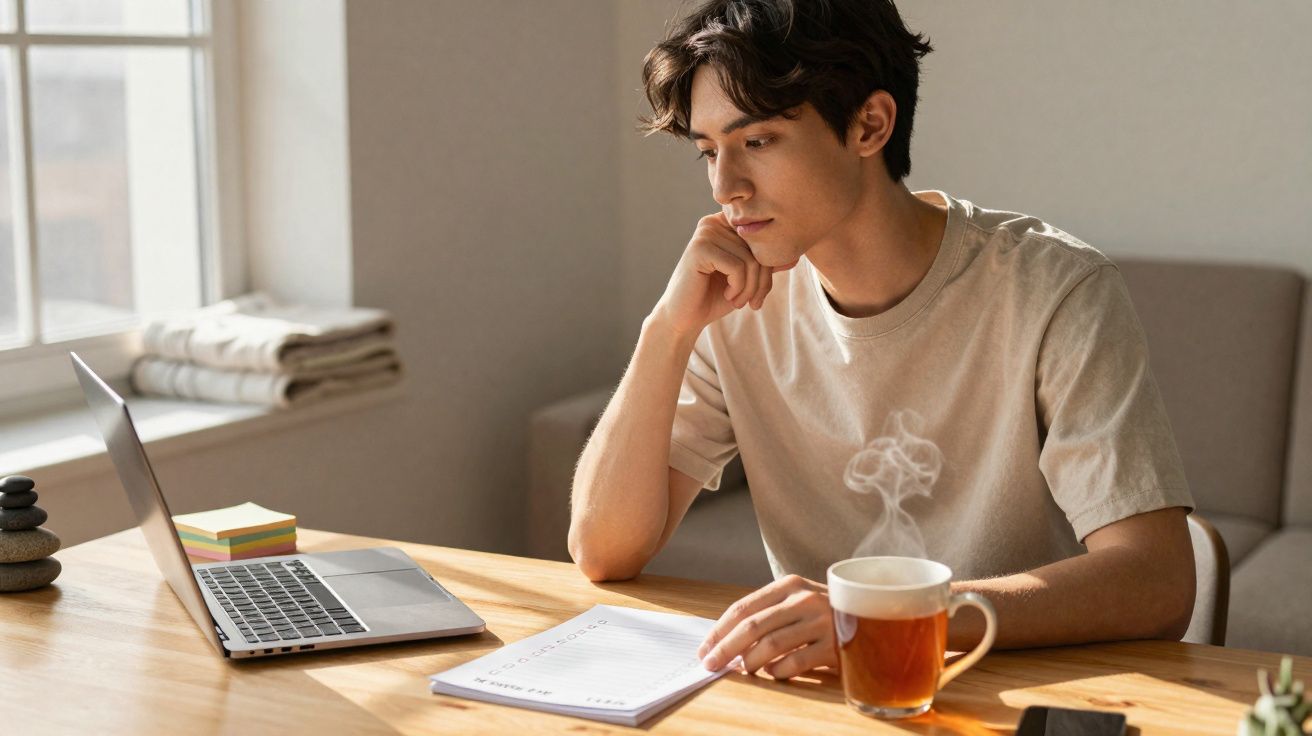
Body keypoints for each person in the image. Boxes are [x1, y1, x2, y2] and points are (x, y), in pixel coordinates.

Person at [568, 0, 1196, 681]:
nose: (727, 188)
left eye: (757, 142)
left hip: (1005, 688)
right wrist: (666, 330)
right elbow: (604, 551)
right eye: (708, 151)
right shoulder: (736, 301)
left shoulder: (1053, 288)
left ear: (870, 124)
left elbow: (1157, 581)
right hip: (823, 700)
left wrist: (887, 617)